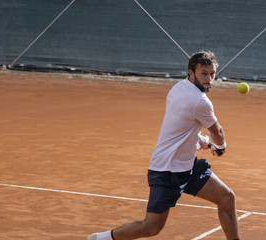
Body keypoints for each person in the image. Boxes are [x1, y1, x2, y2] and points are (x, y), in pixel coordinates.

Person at [88, 51, 240, 240]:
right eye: (204, 73)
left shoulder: (178, 88)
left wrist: (200, 140)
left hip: (188, 166)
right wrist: (220, 146)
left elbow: (183, 126)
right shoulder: (201, 102)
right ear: (191, 73)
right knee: (151, 227)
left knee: (227, 198)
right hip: (168, 171)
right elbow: (217, 132)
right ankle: (102, 239)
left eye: (212, 73)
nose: (209, 79)